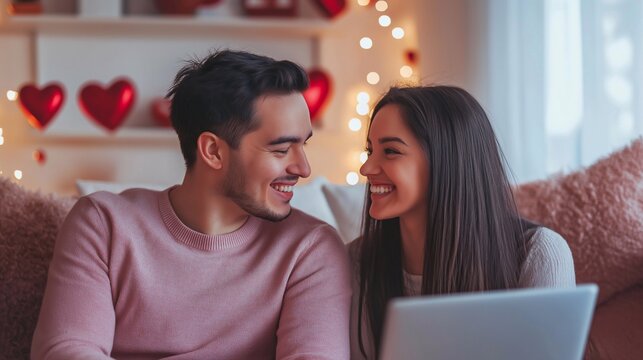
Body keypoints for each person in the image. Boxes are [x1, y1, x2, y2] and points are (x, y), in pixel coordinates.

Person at [32, 50, 352, 359]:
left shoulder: (311, 249)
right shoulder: (102, 224)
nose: (303, 168)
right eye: (282, 150)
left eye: (303, 145)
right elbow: (64, 351)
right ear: (213, 151)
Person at [348, 85, 576, 359]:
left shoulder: (539, 253)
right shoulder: (357, 261)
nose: (366, 168)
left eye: (391, 151)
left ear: (447, 159)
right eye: (370, 151)